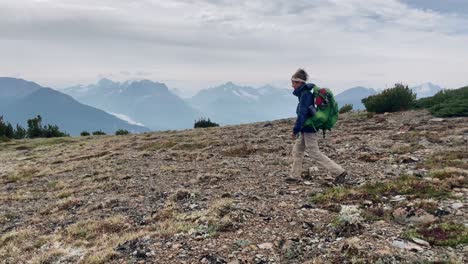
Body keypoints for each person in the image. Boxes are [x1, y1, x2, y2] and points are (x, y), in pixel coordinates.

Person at [288, 68, 347, 184]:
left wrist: (295, 130)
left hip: (309, 128)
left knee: (314, 152)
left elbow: (302, 114)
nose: (292, 85)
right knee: (297, 151)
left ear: (299, 82)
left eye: (293, 83)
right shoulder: (304, 94)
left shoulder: (305, 95)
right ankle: (295, 176)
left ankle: (339, 171)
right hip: (306, 128)